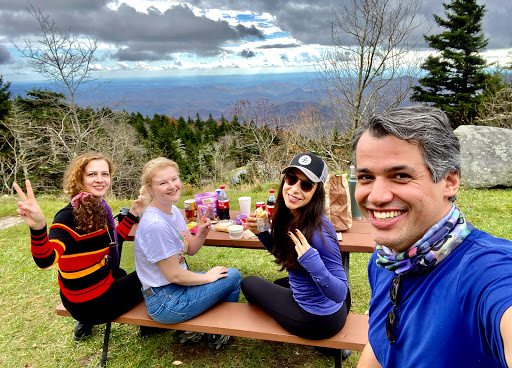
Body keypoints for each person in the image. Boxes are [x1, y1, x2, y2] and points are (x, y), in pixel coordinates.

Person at [353, 106, 512, 368]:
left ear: (449, 181)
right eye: (366, 177)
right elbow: (381, 342)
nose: (377, 196)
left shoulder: (485, 271)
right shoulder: (386, 262)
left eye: (401, 176)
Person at [13, 152, 144, 341]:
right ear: (79, 178)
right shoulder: (68, 217)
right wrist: (39, 228)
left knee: (120, 273)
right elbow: (45, 259)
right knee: (153, 271)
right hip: (94, 304)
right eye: (92, 174)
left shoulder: (97, 209)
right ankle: (152, 326)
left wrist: (132, 214)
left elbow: (112, 241)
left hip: (77, 299)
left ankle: (85, 322)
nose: (100, 179)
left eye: (105, 174)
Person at [134, 157, 242, 350]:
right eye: (162, 182)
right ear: (149, 189)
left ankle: (204, 328)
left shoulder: (173, 211)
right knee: (233, 277)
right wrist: (207, 278)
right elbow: (173, 274)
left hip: (173, 288)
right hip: (165, 300)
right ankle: (216, 331)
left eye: (174, 179)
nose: (172, 186)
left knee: (226, 273)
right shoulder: (156, 225)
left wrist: (201, 232)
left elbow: (189, 249)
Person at [241, 153, 351, 343]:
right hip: (331, 308)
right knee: (279, 283)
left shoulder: (319, 233)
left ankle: (323, 344)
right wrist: (262, 234)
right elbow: (286, 254)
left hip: (318, 320)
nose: (294, 189)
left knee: (249, 283)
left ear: (317, 192)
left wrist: (312, 262)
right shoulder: (295, 215)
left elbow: (340, 292)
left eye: (306, 184)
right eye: (291, 179)